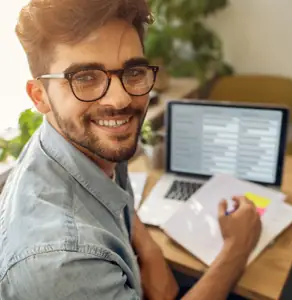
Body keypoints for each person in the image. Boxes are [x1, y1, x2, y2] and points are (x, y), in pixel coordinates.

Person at [0, 1, 262, 299]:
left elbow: (111, 194)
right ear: (40, 96)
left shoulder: (86, 142)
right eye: (85, 78)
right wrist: (236, 249)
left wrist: (150, 252)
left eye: (133, 71)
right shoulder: (60, 265)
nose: (121, 100)